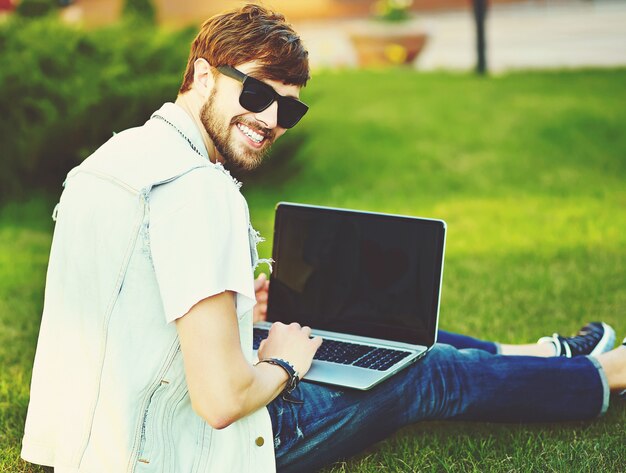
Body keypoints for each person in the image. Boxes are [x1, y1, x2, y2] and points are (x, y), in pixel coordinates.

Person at [21, 4, 625, 473]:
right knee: (420, 372)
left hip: (97, 441)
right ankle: (609, 375)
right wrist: (283, 360)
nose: (270, 121)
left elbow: (130, 298)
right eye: (256, 94)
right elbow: (223, 400)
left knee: (383, 330)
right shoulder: (198, 190)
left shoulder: (115, 157)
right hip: (188, 451)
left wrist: (236, 310)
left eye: (289, 110)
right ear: (203, 75)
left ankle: (541, 355)